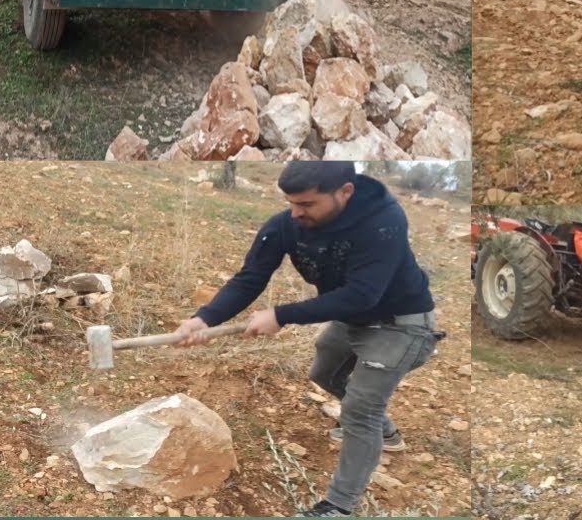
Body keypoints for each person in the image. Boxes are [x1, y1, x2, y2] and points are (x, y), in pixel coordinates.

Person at [175, 161, 442, 518]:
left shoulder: (383, 220)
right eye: (291, 202)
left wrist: (281, 316)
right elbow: (249, 278)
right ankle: (386, 432)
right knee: (324, 373)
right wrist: (203, 318)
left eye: (307, 204)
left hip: (401, 324)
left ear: (344, 191)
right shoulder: (288, 224)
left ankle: (339, 506)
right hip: (353, 319)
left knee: (360, 410)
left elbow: (363, 294)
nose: (295, 212)